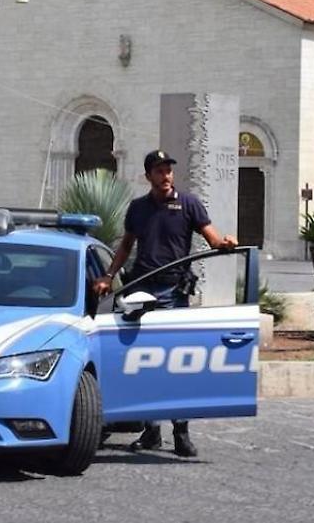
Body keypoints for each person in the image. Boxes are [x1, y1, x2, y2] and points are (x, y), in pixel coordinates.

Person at [92, 150, 238, 458]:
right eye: (159, 171)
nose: (166, 175)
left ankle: (181, 432)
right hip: (142, 294)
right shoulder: (138, 208)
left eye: (169, 170)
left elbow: (212, 239)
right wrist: (108, 275)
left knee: (175, 365)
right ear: (148, 176)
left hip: (174, 293)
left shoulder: (189, 204)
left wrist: (225, 243)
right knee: (144, 362)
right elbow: (126, 246)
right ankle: (151, 431)